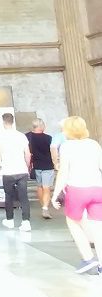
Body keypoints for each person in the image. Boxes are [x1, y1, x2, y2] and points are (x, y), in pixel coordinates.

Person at [52, 115, 102, 274]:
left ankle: (88, 258)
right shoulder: (94, 144)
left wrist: (55, 193)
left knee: (73, 222)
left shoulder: (67, 146)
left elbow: (63, 173)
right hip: (97, 189)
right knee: (98, 228)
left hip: (77, 189)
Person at [0, 113, 31, 232]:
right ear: (13, 121)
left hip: (7, 171)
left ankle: (10, 220)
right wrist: (27, 167)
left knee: (9, 196)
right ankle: (26, 222)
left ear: (3, 122)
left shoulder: (1, 137)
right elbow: (27, 154)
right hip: (21, 170)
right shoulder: (21, 136)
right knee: (24, 197)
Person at [26, 118, 54, 219]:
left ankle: (43, 207)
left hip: (36, 165)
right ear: (41, 126)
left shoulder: (27, 137)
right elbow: (53, 151)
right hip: (47, 165)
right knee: (46, 187)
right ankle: (45, 208)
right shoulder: (48, 138)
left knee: (39, 187)